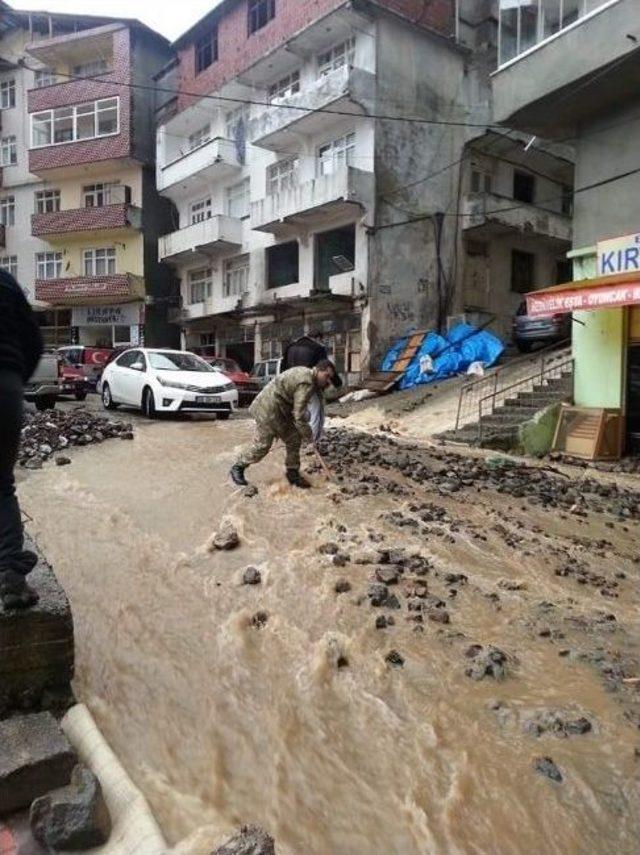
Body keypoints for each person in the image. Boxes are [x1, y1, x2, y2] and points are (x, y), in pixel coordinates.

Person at [0, 269, 44, 609]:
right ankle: (12, 580)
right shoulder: (6, 282)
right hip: (5, 388)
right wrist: (14, 379)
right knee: (1, 487)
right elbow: (34, 340)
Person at [230, 360, 337, 489]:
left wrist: (305, 433)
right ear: (319, 370)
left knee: (294, 439)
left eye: (330, 378)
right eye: (327, 376)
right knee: (263, 445)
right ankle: (238, 467)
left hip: (280, 409)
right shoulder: (307, 382)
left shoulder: (309, 376)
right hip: (267, 409)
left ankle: (292, 474)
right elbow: (298, 415)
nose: (328, 381)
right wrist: (309, 436)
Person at [283, 332, 342, 443]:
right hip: (310, 384)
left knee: (298, 412)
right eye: (322, 340)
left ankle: (296, 439)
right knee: (316, 412)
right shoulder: (318, 348)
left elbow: (283, 368)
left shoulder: (290, 347)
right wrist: (338, 383)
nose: (322, 342)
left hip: (292, 385)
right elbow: (327, 367)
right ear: (318, 338)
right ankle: (313, 441)